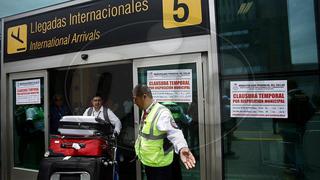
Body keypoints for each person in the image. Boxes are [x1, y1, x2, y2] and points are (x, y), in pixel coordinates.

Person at [132, 84, 196, 180]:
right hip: (150, 162)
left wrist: (182, 148)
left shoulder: (161, 113)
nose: (134, 102)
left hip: (160, 165)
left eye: (135, 98)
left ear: (144, 96)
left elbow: (174, 133)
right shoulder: (147, 110)